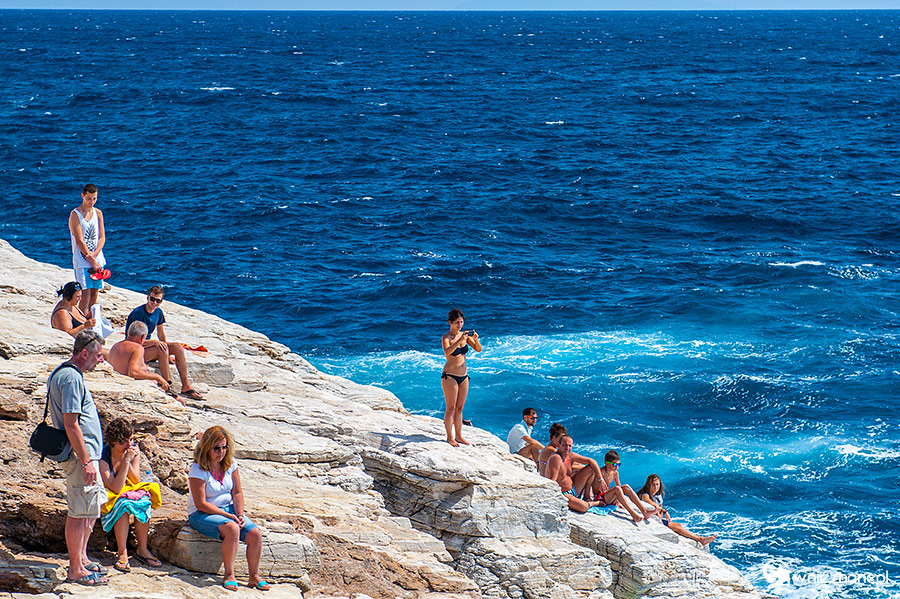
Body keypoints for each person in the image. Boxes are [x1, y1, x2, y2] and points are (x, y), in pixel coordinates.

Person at [47, 330, 108, 586]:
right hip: (79, 458)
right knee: (78, 512)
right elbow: (72, 424)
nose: (101, 360)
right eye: (98, 355)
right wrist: (85, 460)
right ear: (84, 353)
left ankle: (81, 558)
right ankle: (75, 569)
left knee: (88, 510)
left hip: (85, 456)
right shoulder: (71, 378)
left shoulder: (66, 373)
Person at [188, 426, 269, 592]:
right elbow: (201, 503)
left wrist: (239, 514)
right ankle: (229, 574)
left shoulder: (230, 464)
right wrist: (227, 515)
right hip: (202, 513)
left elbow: (237, 492)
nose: (221, 452)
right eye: (216, 448)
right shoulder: (198, 469)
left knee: (255, 534)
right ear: (207, 448)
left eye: (224, 447)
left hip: (229, 509)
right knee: (231, 528)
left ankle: (254, 576)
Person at [97, 418, 163, 572]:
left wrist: (130, 458)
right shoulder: (103, 455)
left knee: (144, 502)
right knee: (123, 506)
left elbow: (135, 479)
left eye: (131, 439)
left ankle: (142, 548)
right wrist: (126, 461)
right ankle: (122, 552)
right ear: (113, 442)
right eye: (124, 442)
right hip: (111, 491)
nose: (129, 445)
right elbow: (114, 487)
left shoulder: (133, 450)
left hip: (126, 488)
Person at [125, 286, 203, 401]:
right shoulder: (138, 313)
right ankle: (167, 385)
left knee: (177, 347)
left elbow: (161, 334)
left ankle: (186, 386)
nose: (154, 303)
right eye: (152, 299)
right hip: (136, 350)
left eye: (158, 301)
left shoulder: (158, 312)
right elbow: (131, 339)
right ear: (148, 298)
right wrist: (156, 343)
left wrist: (167, 353)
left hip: (148, 346)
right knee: (161, 349)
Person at [108, 322, 184, 404]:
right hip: (133, 385)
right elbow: (133, 373)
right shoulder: (137, 348)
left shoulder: (116, 345)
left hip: (118, 381)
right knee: (180, 401)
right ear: (143, 337)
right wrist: (157, 377)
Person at [440, 308, 482, 447]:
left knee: (460, 408)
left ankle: (459, 436)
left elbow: (478, 349)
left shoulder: (464, 336)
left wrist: (475, 340)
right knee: (450, 408)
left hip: (463, 376)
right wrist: (459, 341)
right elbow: (447, 352)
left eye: (462, 322)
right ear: (450, 323)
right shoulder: (446, 338)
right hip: (450, 376)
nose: (460, 325)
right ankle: (449, 437)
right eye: (457, 323)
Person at [638, 474, 716, 547]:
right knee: (677, 528)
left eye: (657, 484)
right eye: (653, 485)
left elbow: (660, 507)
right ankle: (701, 539)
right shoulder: (645, 494)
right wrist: (664, 512)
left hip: (657, 520)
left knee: (678, 526)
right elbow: (649, 501)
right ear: (649, 485)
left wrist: (662, 515)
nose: (655, 487)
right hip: (648, 520)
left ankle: (699, 538)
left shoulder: (657, 495)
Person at [67, 183, 107, 315]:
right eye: (89, 198)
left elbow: (102, 237)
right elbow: (79, 240)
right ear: (83, 196)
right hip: (83, 261)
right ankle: (82, 321)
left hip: (97, 260)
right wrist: (90, 258)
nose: (92, 202)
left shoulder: (98, 213)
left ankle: (92, 320)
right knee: (85, 294)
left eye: (94, 198)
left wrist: (95, 256)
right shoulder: (75, 214)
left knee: (95, 292)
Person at [593, 450, 658, 524]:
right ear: (607, 463)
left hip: (607, 497)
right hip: (599, 498)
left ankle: (644, 511)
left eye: (618, 464)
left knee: (626, 487)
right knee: (617, 489)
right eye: (614, 465)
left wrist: (618, 501)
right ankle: (633, 514)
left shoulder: (615, 473)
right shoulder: (600, 473)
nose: (617, 467)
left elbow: (619, 487)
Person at [543, 435, 604, 513]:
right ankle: (593, 503)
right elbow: (552, 481)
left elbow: (591, 461)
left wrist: (600, 478)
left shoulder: (570, 455)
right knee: (583, 507)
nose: (567, 448)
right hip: (563, 493)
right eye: (564, 445)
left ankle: (587, 496)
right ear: (559, 445)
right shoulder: (556, 458)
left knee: (591, 468)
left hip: (574, 488)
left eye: (569, 446)